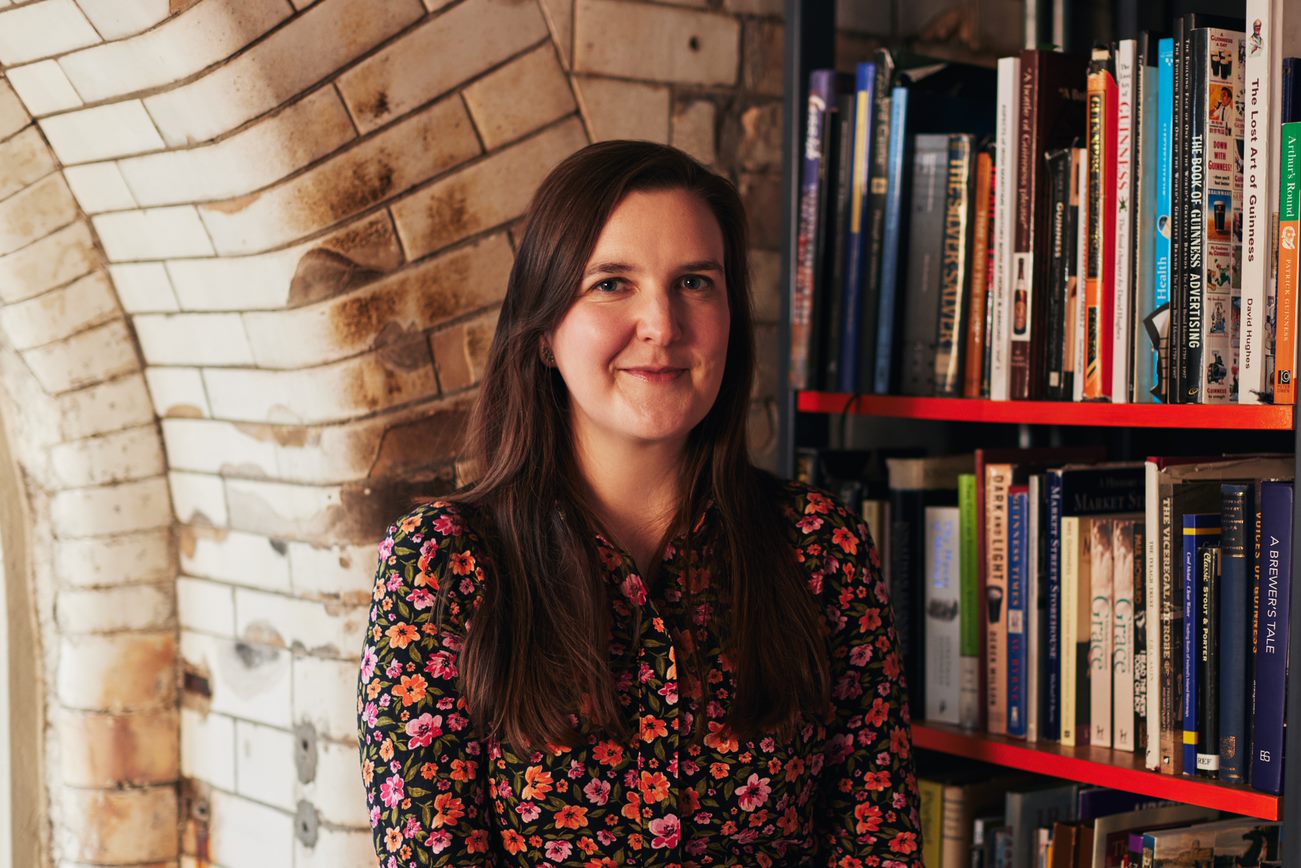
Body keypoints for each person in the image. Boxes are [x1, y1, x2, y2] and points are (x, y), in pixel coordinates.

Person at [357, 140, 920, 866]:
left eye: (693, 282)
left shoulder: (820, 547)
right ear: (543, 336)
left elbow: (879, 841)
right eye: (611, 284)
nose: (661, 324)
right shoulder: (442, 563)